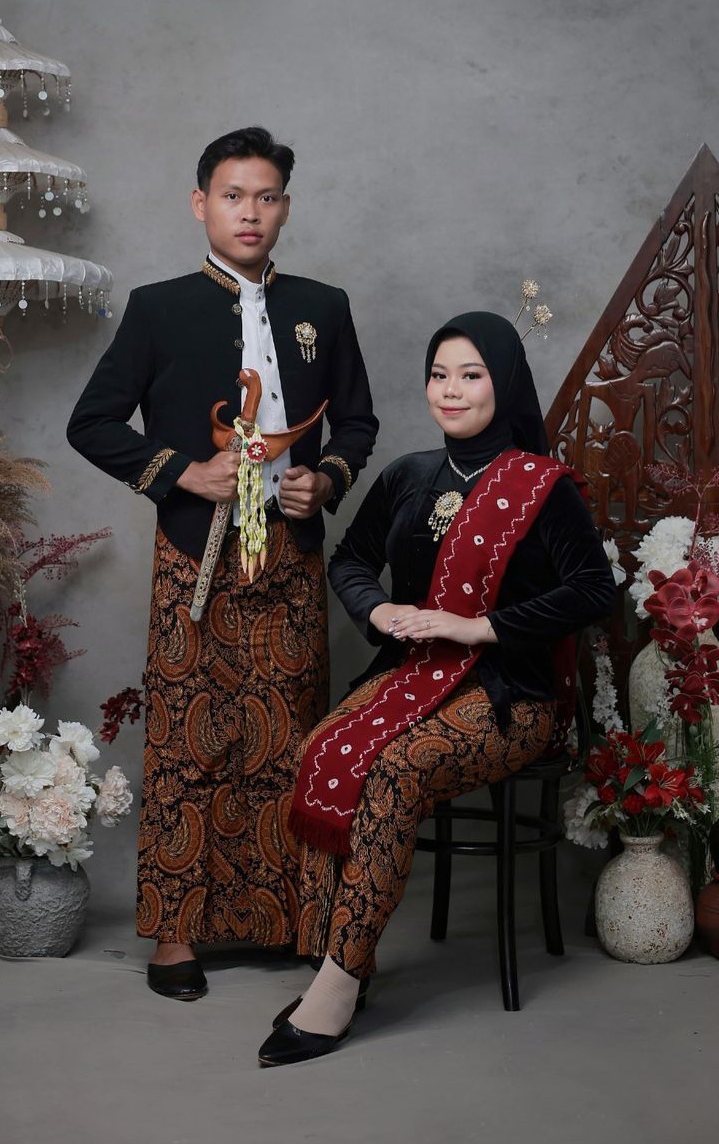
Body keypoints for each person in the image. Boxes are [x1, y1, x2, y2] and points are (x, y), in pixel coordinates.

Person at [67, 127, 378, 1001]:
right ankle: (176, 936)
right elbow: (92, 423)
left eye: (266, 197)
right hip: (192, 555)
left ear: (286, 208)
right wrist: (179, 472)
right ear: (200, 203)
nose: (250, 213)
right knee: (186, 740)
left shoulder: (324, 306)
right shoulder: (159, 308)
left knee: (289, 737)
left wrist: (326, 479)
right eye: (233, 196)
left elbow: (357, 421)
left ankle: (292, 921)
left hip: (289, 553)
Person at [256, 311, 617, 1065]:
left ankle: (340, 984)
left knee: (396, 769)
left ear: (503, 383)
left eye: (470, 375)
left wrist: (480, 627)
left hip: (511, 694)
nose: (450, 391)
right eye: (438, 375)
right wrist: (377, 610)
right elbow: (350, 559)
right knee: (322, 749)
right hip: (411, 674)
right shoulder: (407, 476)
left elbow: (594, 591)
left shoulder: (542, 488)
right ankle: (333, 958)